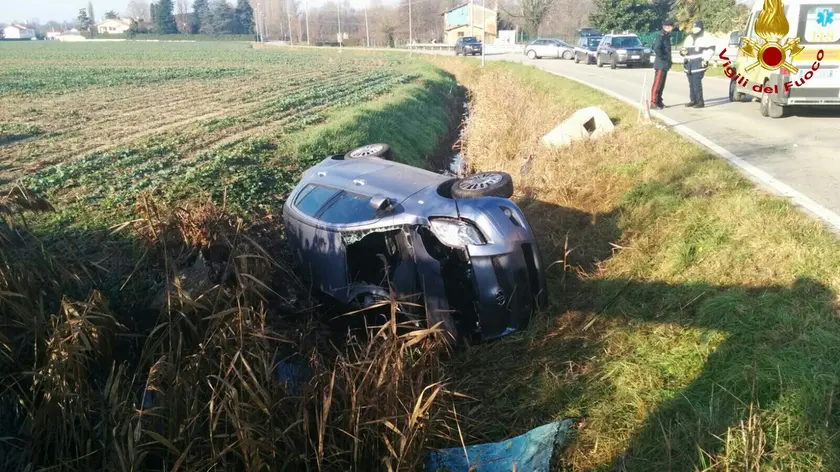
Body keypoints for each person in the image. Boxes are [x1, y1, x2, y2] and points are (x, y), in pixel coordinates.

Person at [680, 20, 716, 108]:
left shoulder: (706, 37)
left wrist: (706, 59)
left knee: (697, 83)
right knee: (691, 84)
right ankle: (693, 100)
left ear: (701, 27)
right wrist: (682, 53)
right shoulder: (689, 37)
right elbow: (683, 49)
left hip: (699, 62)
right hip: (689, 64)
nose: (695, 29)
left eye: (697, 27)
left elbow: (711, 49)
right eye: (694, 27)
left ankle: (700, 102)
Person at [651, 19, 675, 110]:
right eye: (671, 27)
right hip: (660, 64)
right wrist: (663, 58)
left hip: (665, 64)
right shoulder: (660, 36)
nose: (672, 28)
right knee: (657, 84)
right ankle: (653, 102)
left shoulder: (667, 36)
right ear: (667, 27)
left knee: (662, 84)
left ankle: (659, 101)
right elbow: (657, 48)